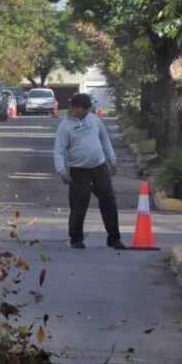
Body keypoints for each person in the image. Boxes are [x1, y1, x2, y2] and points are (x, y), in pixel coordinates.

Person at [53, 92, 125, 250]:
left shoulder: (93, 119)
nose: (86, 112)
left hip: (100, 167)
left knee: (109, 201)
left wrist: (112, 160)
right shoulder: (65, 127)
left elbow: (104, 139)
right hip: (79, 171)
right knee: (79, 204)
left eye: (88, 109)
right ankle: (76, 238)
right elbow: (59, 151)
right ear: (74, 108)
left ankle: (114, 238)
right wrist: (62, 171)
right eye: (83, 109)